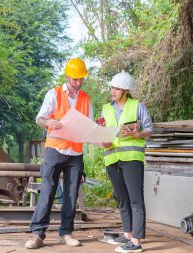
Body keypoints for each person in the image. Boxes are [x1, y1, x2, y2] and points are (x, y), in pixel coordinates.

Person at [25, 58, 93, 249]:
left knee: (71, 194)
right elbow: (39, 118)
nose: (78, 83)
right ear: (67, 76)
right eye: (75, 79)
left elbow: (89, 125)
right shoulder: (54, 94)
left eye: (81, 79)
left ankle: (66, 232)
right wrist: (47, 122)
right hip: (55, 150)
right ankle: (37, 233)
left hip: (75, 153)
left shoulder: (86, 99)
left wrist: (96, 131)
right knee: (48, 191)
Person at [99, 71, 153, 253]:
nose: (113, 91)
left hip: (132, 159)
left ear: (126, 90)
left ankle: (136, 242)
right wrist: (102, 140)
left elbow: (149, 129)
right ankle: (128, 234)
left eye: (117, 88)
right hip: (112, 158)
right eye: (112, 87)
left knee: (135, 200)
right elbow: (103, 132)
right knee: (122, 199)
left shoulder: (138, 106)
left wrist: (138, 134)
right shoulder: (106, 108)